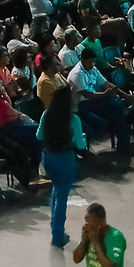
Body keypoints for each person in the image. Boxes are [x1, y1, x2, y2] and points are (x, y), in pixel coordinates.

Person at [40, 86, 86, 248]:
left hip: (48, 158)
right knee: (62, 197)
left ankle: (55, 227)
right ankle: (57, 235)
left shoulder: (46, 114)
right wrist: (79, 139)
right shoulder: (73, 120)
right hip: (65, 160)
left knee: (56, 190)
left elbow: (39, 135)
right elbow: (81, 144)